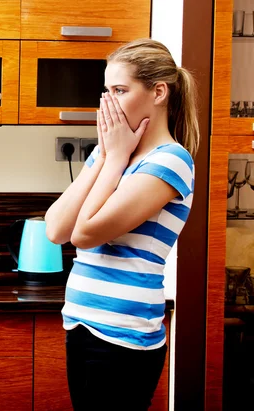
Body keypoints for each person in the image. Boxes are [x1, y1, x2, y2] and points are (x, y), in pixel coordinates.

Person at [45, 38, 199, 411]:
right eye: (106, 91)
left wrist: (114, 159)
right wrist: (108, 156)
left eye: (120, 90)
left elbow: (85, 233)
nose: (108, 103)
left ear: (158, 92)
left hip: (124, 335)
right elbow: (56, 229)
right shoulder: (110, 153)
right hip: (80, 323)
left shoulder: (171, 161)